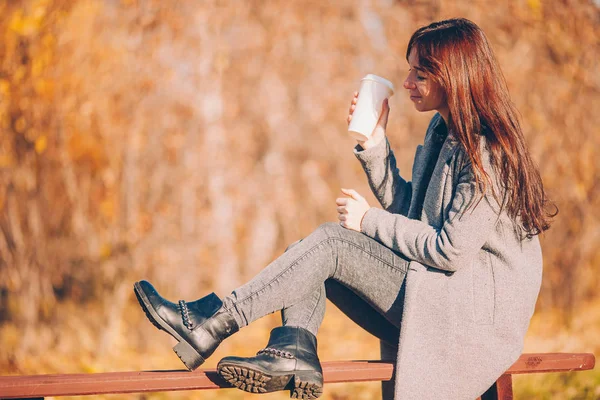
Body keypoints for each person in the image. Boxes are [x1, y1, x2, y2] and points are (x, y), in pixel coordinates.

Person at [133, 18, 555, 400]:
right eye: (409, 69)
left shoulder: (488, 152)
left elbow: (450, 249)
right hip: (440, 295)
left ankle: (212, 322)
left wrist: (368, 221)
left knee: (332, 244)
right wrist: (375, 146)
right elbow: (413, 216)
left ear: (455, 77)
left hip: (472, 318)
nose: (407, 81)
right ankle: (292, 347)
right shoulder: (445, 131)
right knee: (308, 256)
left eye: (419, 73)